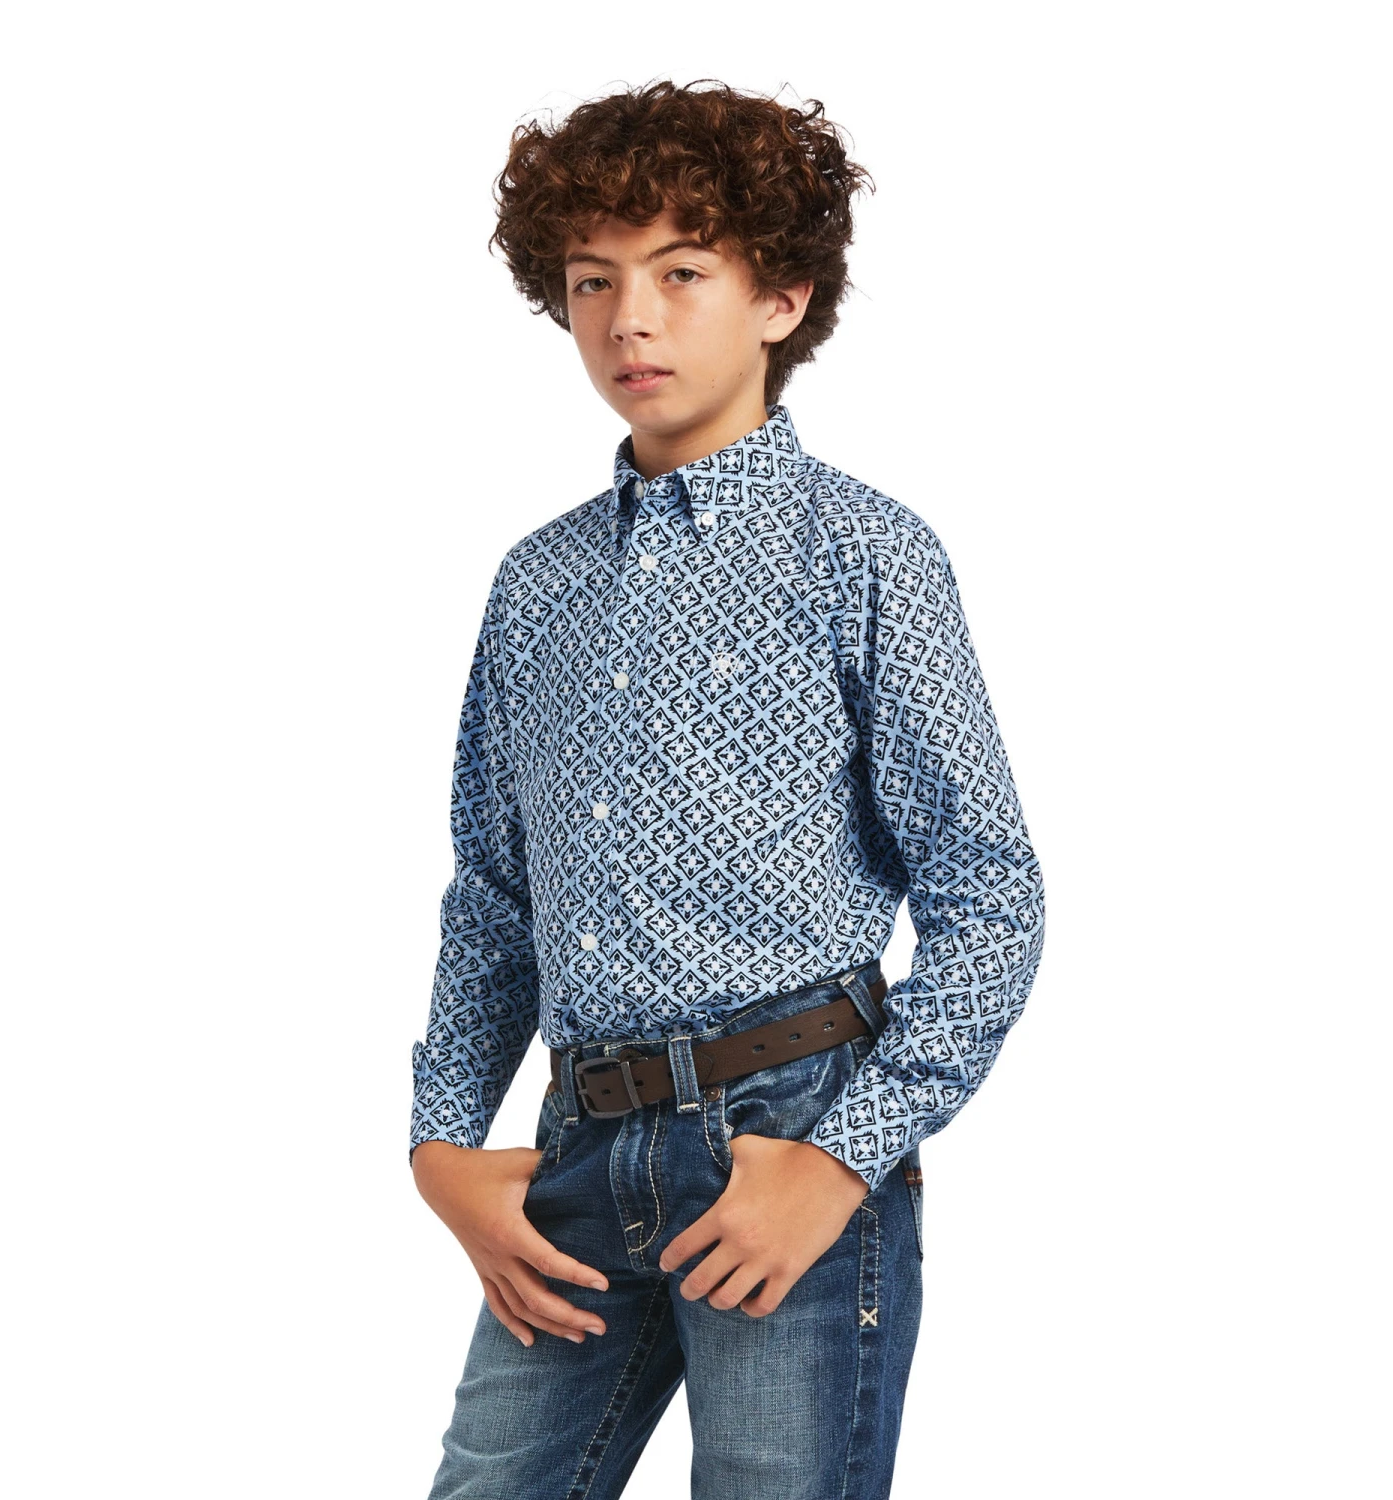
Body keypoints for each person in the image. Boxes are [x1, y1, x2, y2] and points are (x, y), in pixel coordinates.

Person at [408, 78, 1045, 1499]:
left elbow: (989, 894)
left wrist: (842, 1161)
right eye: (592, 280)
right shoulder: (537, 585)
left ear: (780, 298)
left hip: (789, 1136)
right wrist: (442, 1142)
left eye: (682, 273)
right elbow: (494, 897)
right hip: (579, 1156)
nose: (629, 319)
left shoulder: (864, 555)